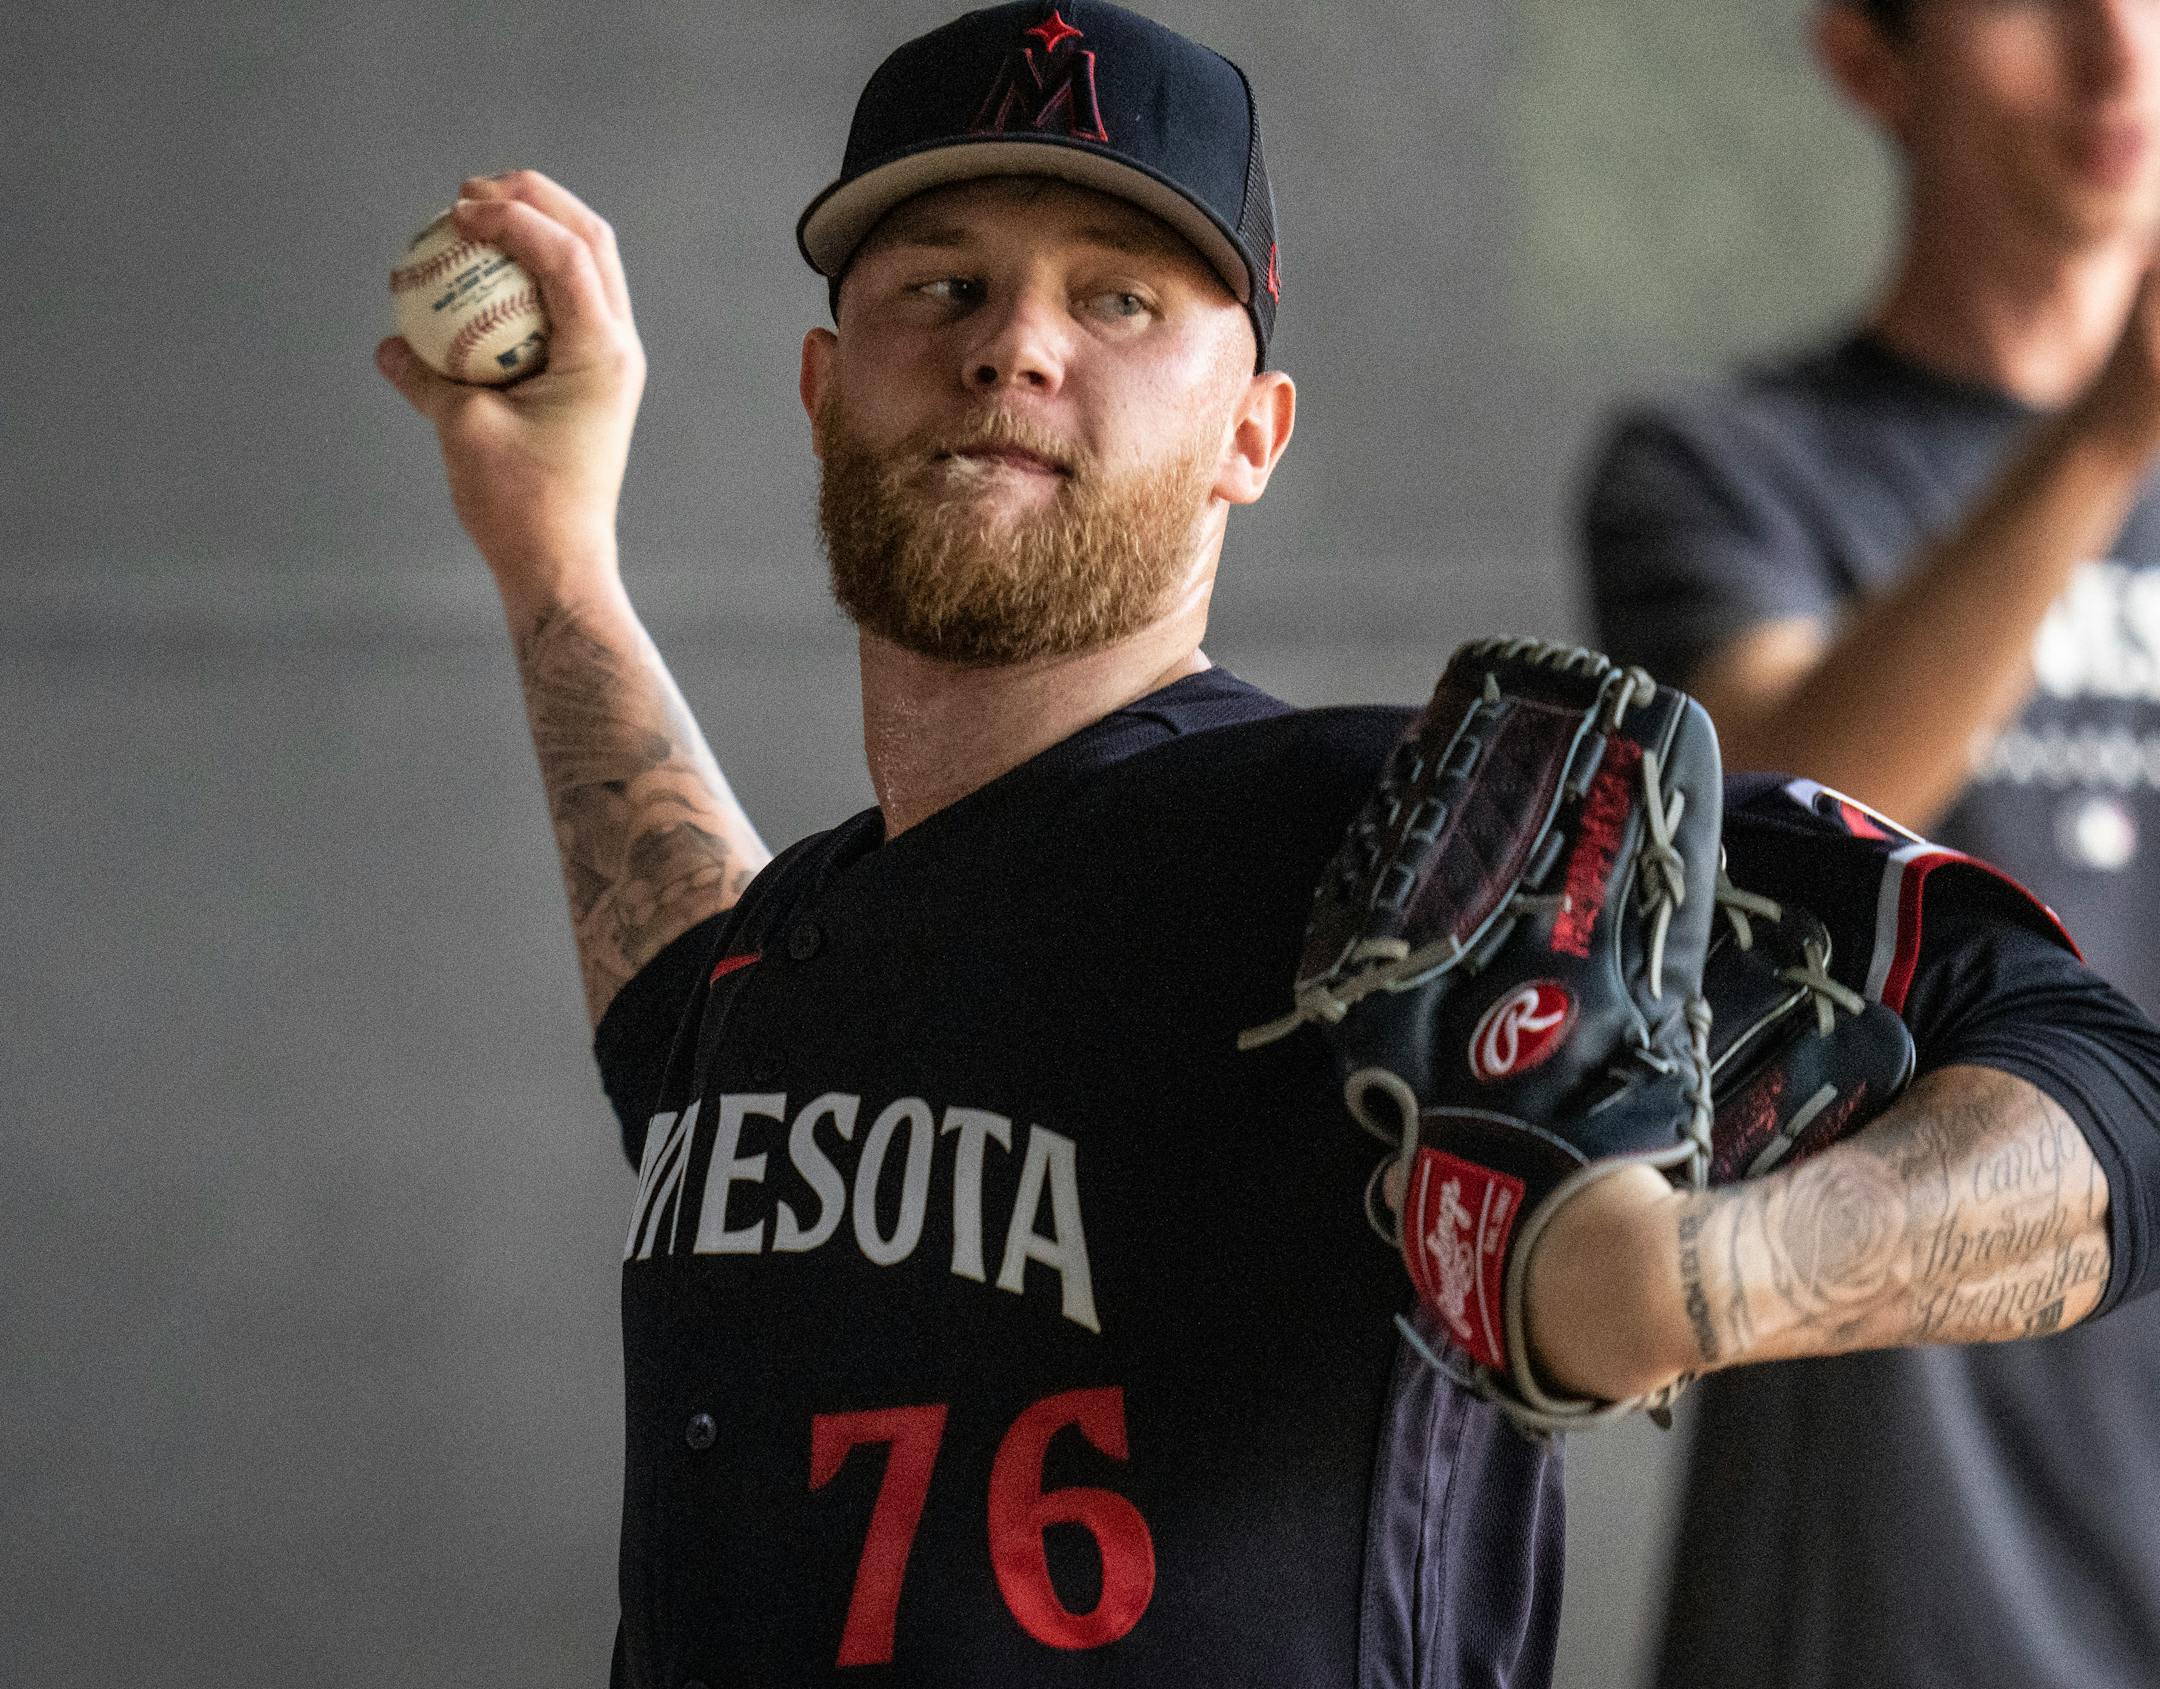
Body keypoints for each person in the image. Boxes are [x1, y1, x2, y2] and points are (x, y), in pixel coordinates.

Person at [379, 5, 2160, 1684]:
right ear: (826, 386)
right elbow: (683, 1019)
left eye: (1125, 300)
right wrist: (554, 554)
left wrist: (1685, 1286)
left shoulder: (1383, 836)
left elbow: (2106, 1077)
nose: (1019, 339)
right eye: (945, 285)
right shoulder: (794, 965)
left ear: (1253, 435)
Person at [1579, 1, 2160, 1684]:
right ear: (1866, 55)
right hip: (1881, 1581)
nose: (2119, 59)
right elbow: (1777, 807)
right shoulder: (1724, 473)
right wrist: (2113, 433)